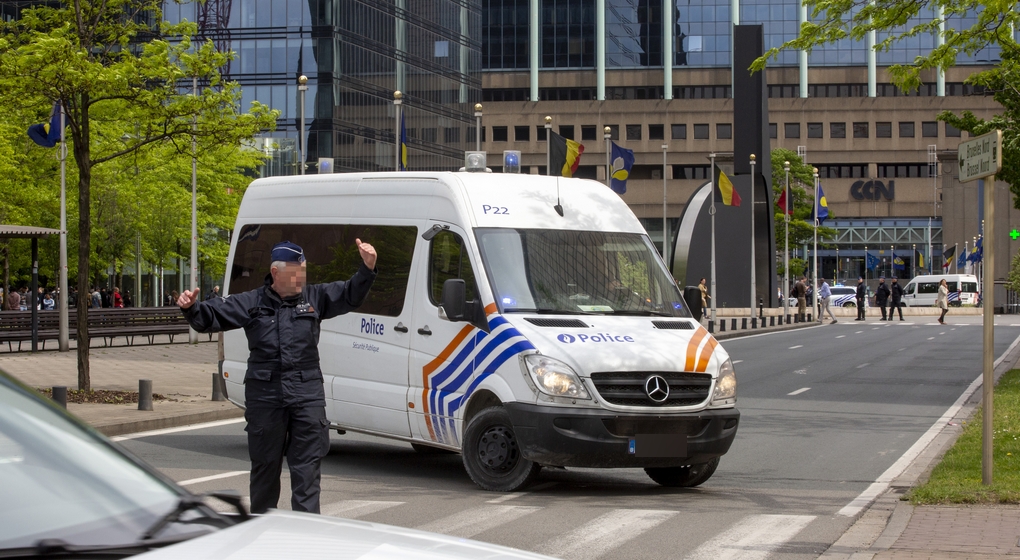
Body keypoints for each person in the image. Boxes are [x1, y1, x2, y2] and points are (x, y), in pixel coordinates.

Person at [177, 239, 377, 514]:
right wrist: (191, 308)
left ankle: (306, 538)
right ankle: (263, 533)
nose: (301, 278)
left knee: (307, 473)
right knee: (265, 471)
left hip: (306, 395)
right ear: (275, 273)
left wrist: (367, 268)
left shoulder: (314, 298)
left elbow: (349, 294)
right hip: (266, 398)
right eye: (296, 272)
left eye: (304, 271)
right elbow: (213, 315)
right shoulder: (252, 302)